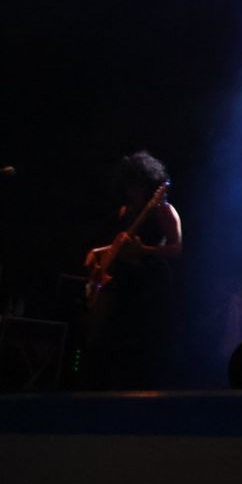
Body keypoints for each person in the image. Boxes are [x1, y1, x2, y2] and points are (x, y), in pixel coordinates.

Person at [82, 151, 182, 390]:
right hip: (125, 279)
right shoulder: (125, 211)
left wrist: (144, 250)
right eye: (129, 185)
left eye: (137, 185)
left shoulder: (163, 210)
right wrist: (97, 252)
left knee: (143, 338)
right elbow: (121, 244)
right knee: (111, 337)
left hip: (150, 281)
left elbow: (176, 248)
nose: (132, 191)